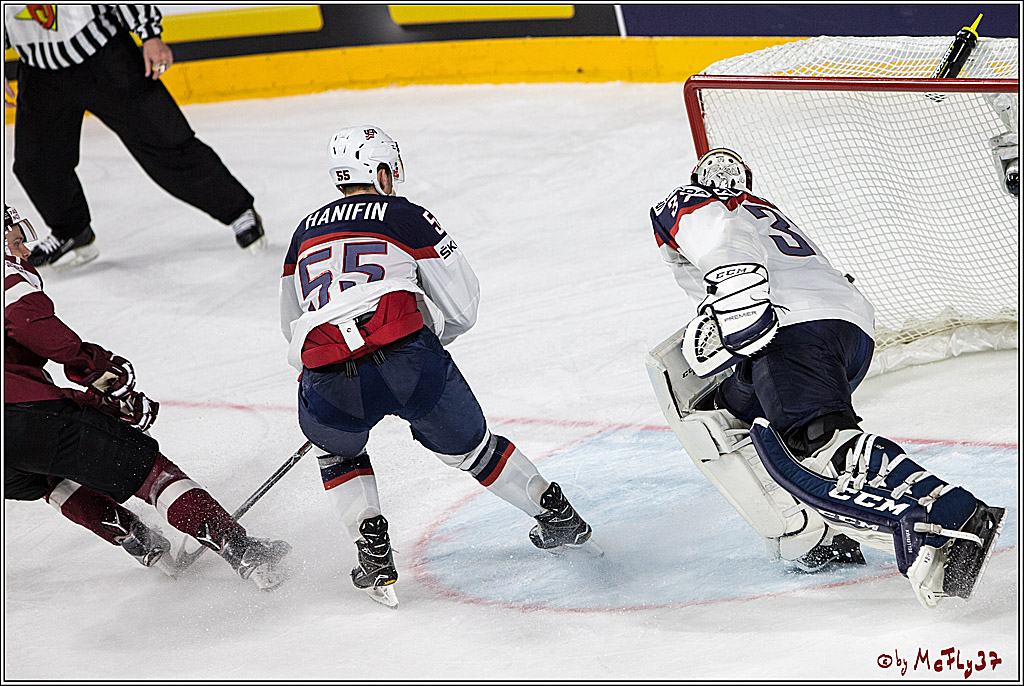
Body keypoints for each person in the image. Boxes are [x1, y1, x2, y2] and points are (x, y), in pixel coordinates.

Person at [647, 148, 1005, 608]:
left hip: (789, 328)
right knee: (731, 418)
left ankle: (952, 512)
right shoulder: (763, 209)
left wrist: (737, 291)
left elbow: (706, 226)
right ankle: (821, 537)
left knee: (819, 439)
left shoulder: (698, 202)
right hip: (848, 331)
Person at [280, 125, 598, 607]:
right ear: (381, 171)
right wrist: (425, 342)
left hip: (327, 371)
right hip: (408, 357)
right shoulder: (405, 215)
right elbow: (463, 304)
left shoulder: (302, 232)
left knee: (339, 453)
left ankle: (373, 549)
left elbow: (291, 323)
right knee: (474, 450)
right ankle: (554, 513)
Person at [4, 204, 289, 588]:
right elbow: (35, 331)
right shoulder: (8, 277)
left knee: (47, 473)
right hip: (18, 412)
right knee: (149, 470)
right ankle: (243, 551)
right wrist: (105, 376)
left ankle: (141, 541)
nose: (24, 251)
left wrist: (93, 403)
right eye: (17, 240)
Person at [3, 4, 265, 270]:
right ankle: (72, 231)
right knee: (36, 163)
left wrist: (150, 35)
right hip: (39, 72)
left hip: (104, 57)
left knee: (166, 142)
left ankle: (238, 210)